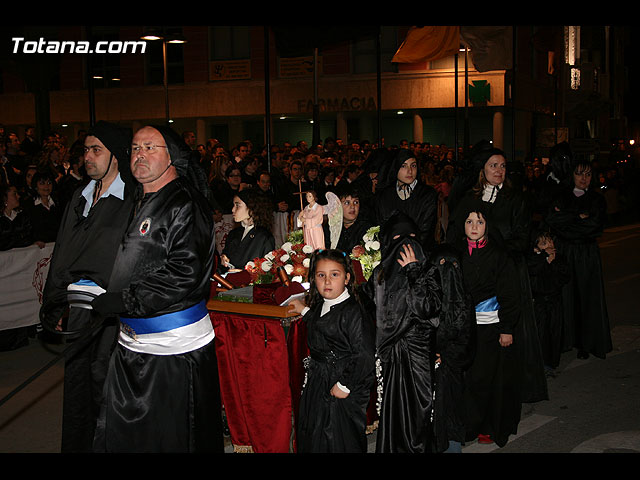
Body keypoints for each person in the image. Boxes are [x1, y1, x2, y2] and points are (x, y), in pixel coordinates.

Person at [90, 125, 223, 453]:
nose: (140, 155)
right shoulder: (138, 199)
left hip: (173, 353)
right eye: (135, 148)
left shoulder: (185, 204)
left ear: (172, 157)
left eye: (150, 147)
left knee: (172, 439)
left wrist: (125, 299)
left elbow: (183, 273)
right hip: (132, 343)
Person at [39, 121, 136, 453]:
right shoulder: (79, 197)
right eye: (85, 150)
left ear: (117, 156)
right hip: (78, 308)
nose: (88, 157)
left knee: (106, 387)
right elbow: (62, 252)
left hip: (111, 313)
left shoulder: (131, 200)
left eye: (97, 150)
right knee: (78, 386)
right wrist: (53, 303)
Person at [447, 145, 548, 404]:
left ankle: (512, 391)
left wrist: (494, 255)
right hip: (473, 273)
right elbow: (454, 233)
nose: (499, 170)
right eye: (494, 165)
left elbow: (521, 238)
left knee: (510, 335)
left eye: (503, 166)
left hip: (507, 271)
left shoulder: (516, 199)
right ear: (483, 170)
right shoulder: (470, 198)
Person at [361, 211, 442, 453]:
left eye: (412, 237)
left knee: (419, 409)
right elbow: (364, 302)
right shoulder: (380, 273)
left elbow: (428, 307)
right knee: (393, 410)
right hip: (391, 353)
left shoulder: (428, 270)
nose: (407, 245)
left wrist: (414, 271)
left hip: (418, 351)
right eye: (399, 238)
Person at [288, 249, 375, 453]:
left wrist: (344, 385)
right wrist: (305, 311)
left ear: (346, 278)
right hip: (320, 380)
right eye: (321, 275)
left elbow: (364, 355)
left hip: (342, 383)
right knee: (315, 434)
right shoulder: (321, 305)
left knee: (338, 439)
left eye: (334, 274)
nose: (327, 281)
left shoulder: (353, 313)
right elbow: (323, 325)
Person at [458, 206, 522, 448]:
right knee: (468, 379)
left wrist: (507, 328)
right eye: (469, 221)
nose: (474, 226)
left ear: (488, 226)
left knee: (490, 379)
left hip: (491, 328)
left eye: (480, 222)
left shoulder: (499, 256)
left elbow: (509, 294)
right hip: (464, 329)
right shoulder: (456, 255)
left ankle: (489, 427)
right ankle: (467, 425)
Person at [542, 159, 612, 359]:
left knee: (586, 297)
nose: (584, 178)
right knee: (564, 297)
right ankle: (564, 340)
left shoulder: (597, 200)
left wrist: (567, 218)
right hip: (565, 252)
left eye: (588, 174)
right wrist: (576, 217)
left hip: (587, 254)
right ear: (572, 175)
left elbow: (594, 226)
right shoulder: (561, 196)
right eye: (579, 173)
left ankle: (586, 342)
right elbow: (553, 221)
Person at [429, 243, 476, 453]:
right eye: (441, 264)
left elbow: (468, 342)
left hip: (451, 372)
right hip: (432, 373)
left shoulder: (464, 299)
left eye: (452, 265)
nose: (447, 269)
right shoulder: (429, 297)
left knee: (450, 416)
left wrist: (444, 356)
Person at [375, 148, 439, 252]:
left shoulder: (427, 194)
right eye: (404, 166)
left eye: (413, 165)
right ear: (395, 168)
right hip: (390, 252)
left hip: (420, 252)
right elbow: (381, 228)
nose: (410, 171)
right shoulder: (385, 195)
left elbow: (426, 230)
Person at [527, 230, 571, 374]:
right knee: (541, 333)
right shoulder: (533, 260)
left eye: (550, 241)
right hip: (539, 304)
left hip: (554, 302)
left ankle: (552, 362)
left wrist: (553, 263)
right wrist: (545, 260)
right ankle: (542, 363)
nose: (550, 245)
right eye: (545, 243)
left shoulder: (559, 258)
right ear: (536, 248)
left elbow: (564, 276)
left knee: (554, 331)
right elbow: (534, 274)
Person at [220, 187, 275, 271]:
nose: (233, 209)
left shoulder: (264, 237)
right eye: (233, 205)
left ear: (252, 208)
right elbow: (227, 257)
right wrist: (223, 258)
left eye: (237, 205)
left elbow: (266, 271)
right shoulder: (234, 233)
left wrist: (242, 273)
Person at [24, 170, 61, 243]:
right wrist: (34, 241)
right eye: (42, 183)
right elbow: (27, 229)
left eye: (49, 183)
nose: (46, 186)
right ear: (35, 186)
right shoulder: (29, 205)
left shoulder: (58, 202)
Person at [0, 183, 38, 251]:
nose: (18, 196)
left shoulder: (22, 215)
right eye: (14, 194)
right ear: (4, 198)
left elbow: (30, 236)